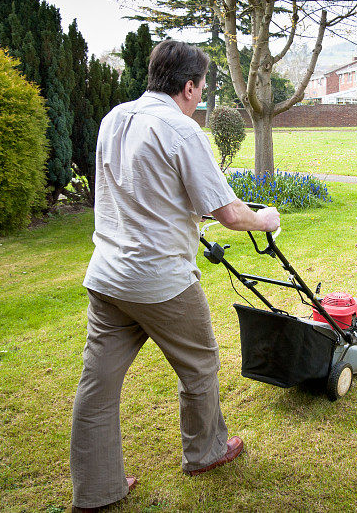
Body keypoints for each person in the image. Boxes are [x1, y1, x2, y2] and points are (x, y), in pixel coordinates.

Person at [70, 40, 280, 512]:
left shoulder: (114, 118)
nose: (202, 95)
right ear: (189, 87)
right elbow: (228, 213)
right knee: (200, 364)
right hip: (160, 281)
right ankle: (204, 452)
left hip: (107, 276)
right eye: (202, 87)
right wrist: (268, 217)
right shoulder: (182, 131)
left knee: (97, 385)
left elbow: (143, 191)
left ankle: (97, 488)